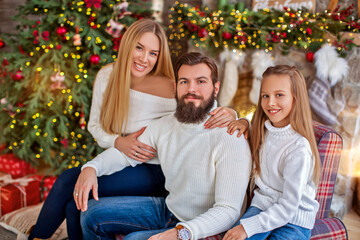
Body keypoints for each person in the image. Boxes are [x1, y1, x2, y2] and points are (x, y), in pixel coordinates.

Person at [29, 19, 247, 240]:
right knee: (75, 203)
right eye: (139, 48)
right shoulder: (108, 76)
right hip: (128, 157)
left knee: (69, 184)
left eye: (153, 53)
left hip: (157, 168)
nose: (144, 58)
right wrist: (114, 146)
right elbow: (96, 126)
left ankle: (35, 236)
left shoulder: (171, 87)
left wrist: (235, 115)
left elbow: (197, 109)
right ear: (128, 45)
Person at [79, 52, 252, 240]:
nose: (191, 89)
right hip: (170, 210)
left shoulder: (230, 136)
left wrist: (181, 232)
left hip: (208, 227)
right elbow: (126, 155)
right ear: (176, 87)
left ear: (216, 87)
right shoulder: (164, 125)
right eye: (184, 81)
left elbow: (228, 211)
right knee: (91, 215)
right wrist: (91, 167)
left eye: (201, 81)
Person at [224, 65, 321, 240]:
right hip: (262, 205)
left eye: (279, 95)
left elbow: (288, 207)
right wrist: (245, 122)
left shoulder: (299, 149)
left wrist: (247, 228)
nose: (270, 103)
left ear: (295, 98)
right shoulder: (264, 131)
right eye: (265, 96)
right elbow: (259, 138)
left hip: (294, 218)